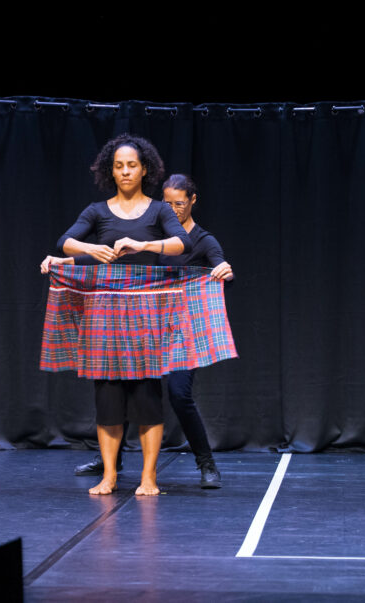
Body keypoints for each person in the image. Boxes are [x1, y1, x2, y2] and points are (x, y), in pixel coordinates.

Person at [52, 173, 233, 488]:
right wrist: (65, 262)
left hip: (181, 329)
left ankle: (206, 463)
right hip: (148, 324)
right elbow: (113, 261)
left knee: (179, 393)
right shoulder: (156, 235)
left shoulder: (203, 240)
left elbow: (222, 269)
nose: (173, 210)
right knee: (123, 383)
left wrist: (225, 271)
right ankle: (111, 460)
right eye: (168, 203)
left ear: (193, 201)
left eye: (180, 203)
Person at [41, 134, 191, 496]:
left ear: (145, 170)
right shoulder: (97, 211)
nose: (125, 171)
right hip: (104, 317)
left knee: (147, 399)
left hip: (145, 316)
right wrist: (93, 249)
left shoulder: (159, 211)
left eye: (132, 165)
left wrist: (143, 244)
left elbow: (181, 243)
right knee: (107, 400)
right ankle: (109, 475)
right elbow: (65, 242)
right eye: (119, 166)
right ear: (111, 170)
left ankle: (149, 477)